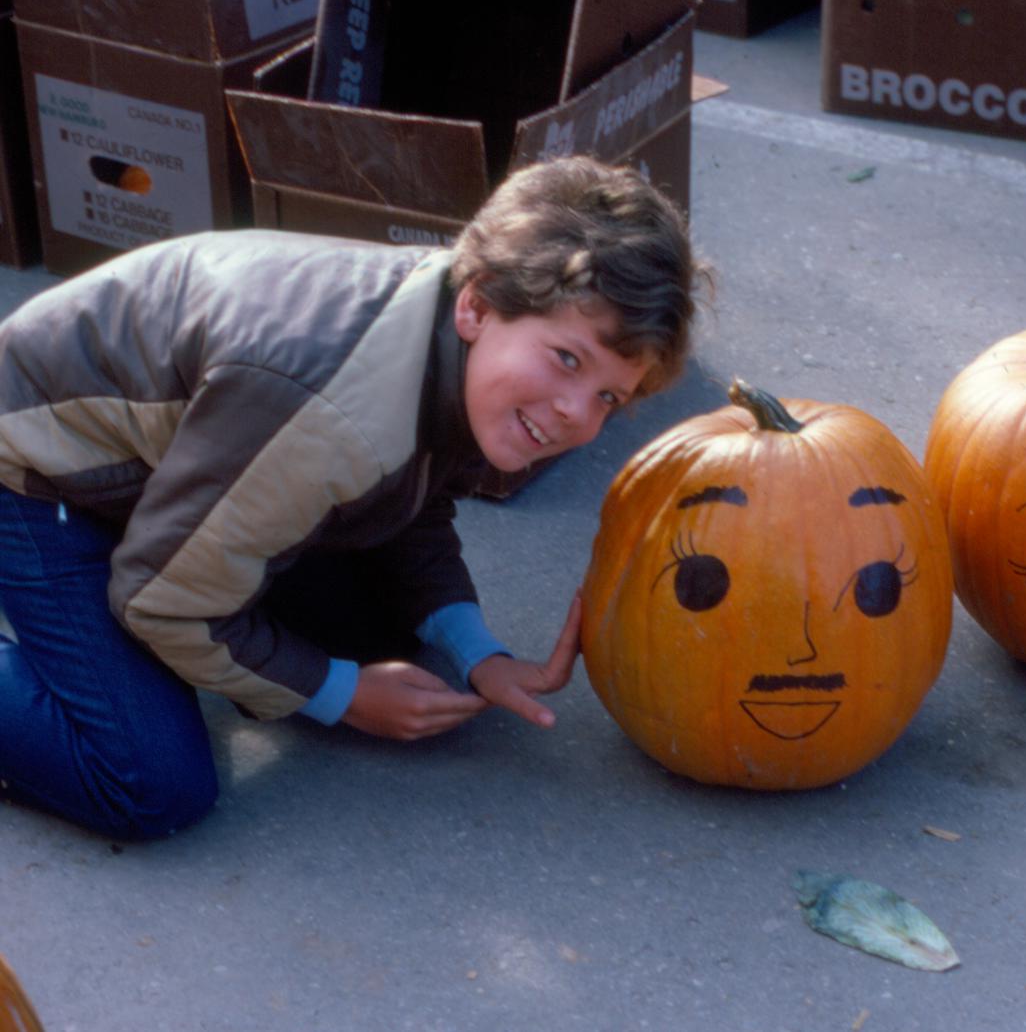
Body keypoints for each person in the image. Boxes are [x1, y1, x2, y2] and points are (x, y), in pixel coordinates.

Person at [0, 156, 706, 841]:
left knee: (393, 640)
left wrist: (474, 647)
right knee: (150, 781)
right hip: (36, 473)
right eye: (567, 359)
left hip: (188, 458)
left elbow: (409, 498)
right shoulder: (333, 416)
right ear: (477, 305)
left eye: (608, 396)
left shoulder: (463, 333)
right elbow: (160, 600)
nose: (575, 416)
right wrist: (342, 696)